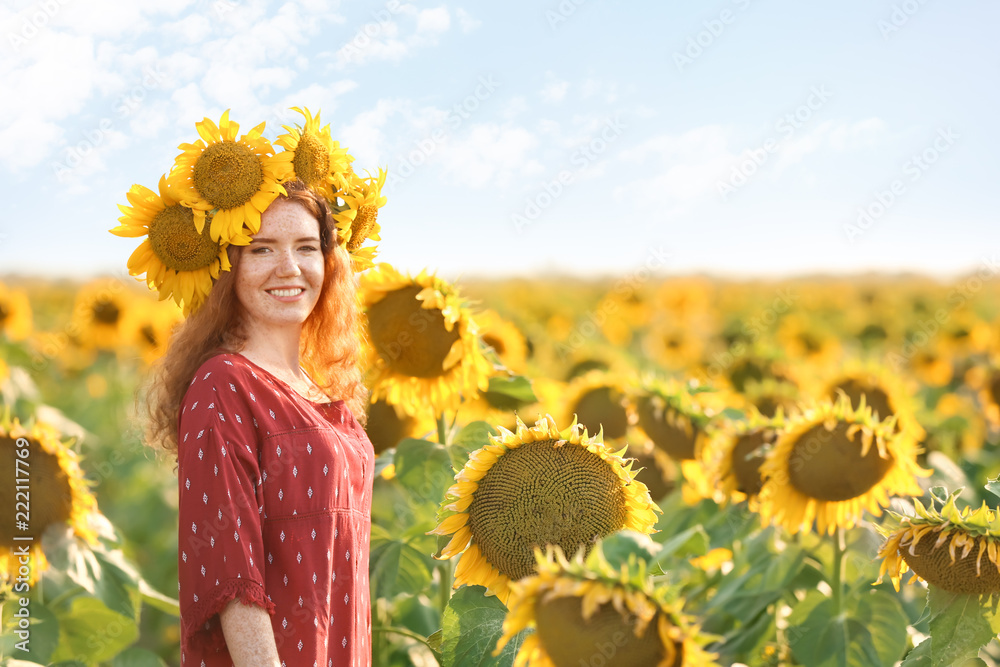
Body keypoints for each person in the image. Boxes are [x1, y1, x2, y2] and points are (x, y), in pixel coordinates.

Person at [145, 180, 373, 666]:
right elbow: (231, 578)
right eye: (261, 248)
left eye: (307, 248)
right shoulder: (223, 384)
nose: (289, 268)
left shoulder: (323, 392)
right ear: (230, 268)